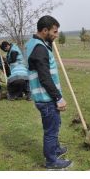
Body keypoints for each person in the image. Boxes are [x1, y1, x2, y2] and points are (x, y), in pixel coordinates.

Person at [25, 15, 72, 170]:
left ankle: (56, 149)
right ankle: (51, 161)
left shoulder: (36, 44)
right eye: (54, 32)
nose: (56, 35)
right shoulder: (39, 48)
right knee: (51, 130)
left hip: (45, 97)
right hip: (46, 98)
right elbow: (44, 78)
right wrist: (58, 97)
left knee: (55, 124)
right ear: (45, 30)